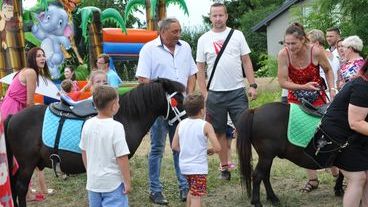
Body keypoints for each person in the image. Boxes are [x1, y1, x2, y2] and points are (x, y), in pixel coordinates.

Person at [136, 17, 197, 205]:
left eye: (179, 30)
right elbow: (143, 80)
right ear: (162, 32)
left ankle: (184, 188)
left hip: (181, 107)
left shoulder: (185, 47)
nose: (179, 34)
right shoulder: (148, 49)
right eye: (174, 31)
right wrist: (165, 99)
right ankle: (155, 190)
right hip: (160, 109)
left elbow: (191, 74)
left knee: (180, 147)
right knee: (157, 149)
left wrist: (188, 96)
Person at [196, 2, 257, 181]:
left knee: (245, 131)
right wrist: (204, 93)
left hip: (237, 91)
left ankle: (247, 167)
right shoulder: (203, 39)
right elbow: (200, 68)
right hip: (215, 93)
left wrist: (252, 85)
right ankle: (224, 168)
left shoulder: (237, 35)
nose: (217, 19)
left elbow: (246, 61)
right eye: (214, 16)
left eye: (221, 15)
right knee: (219, 132)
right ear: (210, 17)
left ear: (226, 16)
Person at [277, 23, 336, 192]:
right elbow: (282, 82)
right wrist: (303, 87)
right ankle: (312, 179)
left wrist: (332, 89)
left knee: (326, 135)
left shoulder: (316, 51)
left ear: (303, 40)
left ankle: (336, 173)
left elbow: (329, 70)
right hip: (295, 99)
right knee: (302, 137)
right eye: (286, 43)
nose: (289, 47)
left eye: (293, 43)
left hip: (318, 99)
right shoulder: (283, 55)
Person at [0, 47, 54, 201]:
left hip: (11, 107)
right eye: (38, 56)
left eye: (43, 55)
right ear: (31, 58)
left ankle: (26, 191)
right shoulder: (30, 73)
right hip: (13, 109)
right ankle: (26, 193)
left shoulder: (27, 71)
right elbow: (29, 103)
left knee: (21, 154)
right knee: (23, 153)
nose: (42, 58)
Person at [313, 59, 368, 207]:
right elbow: (355, 122)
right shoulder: (362, 87)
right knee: (358, 177)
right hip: (337, 138)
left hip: (353, 137)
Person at [79, 85, 131, 207]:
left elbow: (84, 150)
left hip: (93, 183)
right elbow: (122, 157)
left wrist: (90, 171)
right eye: (118, 102)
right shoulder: (116, 127)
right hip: (113, 184)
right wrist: (127, 182)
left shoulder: (87, 123)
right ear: (114, 106)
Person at [172, 93, 221, 207]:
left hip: (184, 166)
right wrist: (211, 150)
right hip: (198, 168)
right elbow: (218, 147)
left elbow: (174, 146)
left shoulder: (181, 124)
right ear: (202, 110)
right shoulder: (206, 125)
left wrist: (186, 149)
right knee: (196, 196)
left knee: (192, 191)